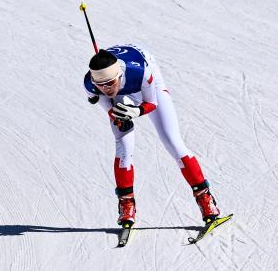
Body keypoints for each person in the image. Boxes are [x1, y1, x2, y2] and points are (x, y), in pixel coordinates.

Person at [84, 45, 220, 227]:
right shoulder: (90, 85)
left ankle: (205, 199)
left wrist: (137, 111)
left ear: (118, 76)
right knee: (123, 147)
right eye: (100, 85)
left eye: (109, 84)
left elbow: (152, 103)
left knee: (172, 141)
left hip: (145, 85)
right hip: (123, 93)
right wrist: (118, 116)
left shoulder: (140, 71)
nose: (106, 89)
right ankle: (126, 204)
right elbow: (110, 110)